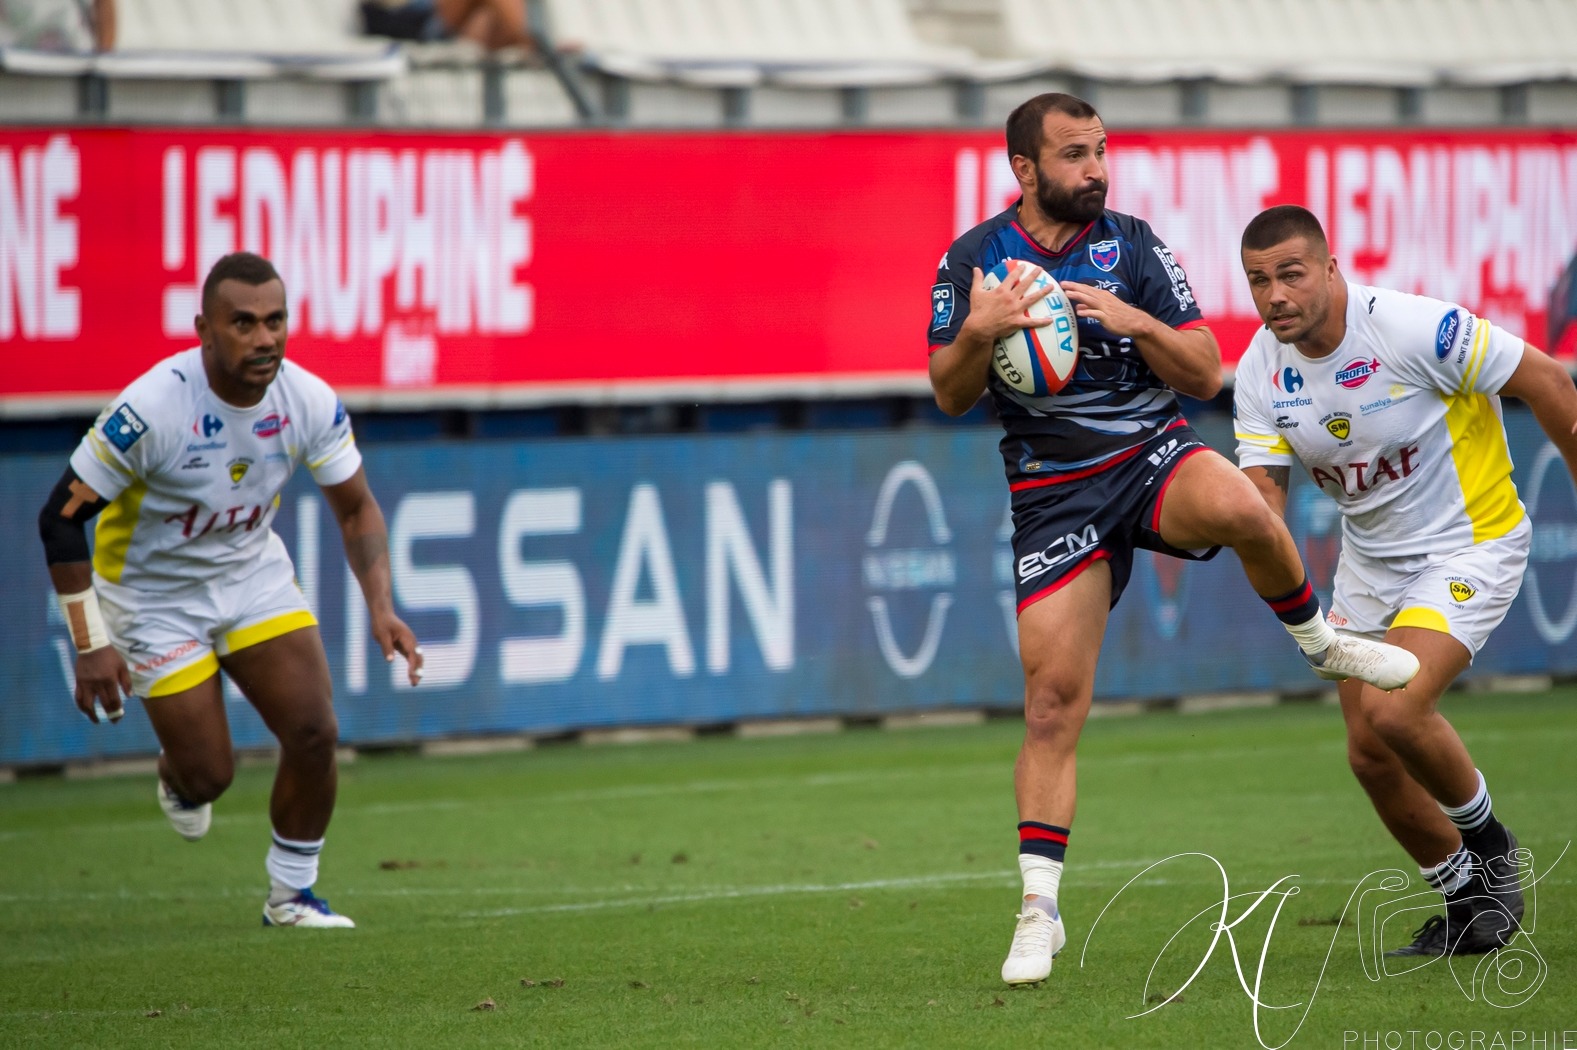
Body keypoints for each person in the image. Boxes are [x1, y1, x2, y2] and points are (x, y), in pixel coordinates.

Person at [926, 93, 1421, 987]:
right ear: (1025, 170)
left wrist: (1136, 322)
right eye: (1073, 155)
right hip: (1052, 496)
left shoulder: (1136, 244)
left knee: (1241, 509)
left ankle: (1321, 643)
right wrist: (978, 332)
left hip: (1150, 452)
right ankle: (1038, 912)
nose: (1094, 168)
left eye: (1099, 150)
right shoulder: (975, 261)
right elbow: (948, 391)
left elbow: (1202, 370)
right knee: (1050, 704)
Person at [37, 252, 424, 929]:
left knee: (314, 729)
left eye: (275, 320)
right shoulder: (153, 407)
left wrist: (381, 606)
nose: (264, 338)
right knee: (209, 775)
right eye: (242, 323)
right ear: (204, 330)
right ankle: (178, 771)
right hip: (152, 598)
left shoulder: (305, 399)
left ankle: (292, 897)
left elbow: (357, 508)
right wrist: (91, 643)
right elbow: (60, 519)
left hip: (250, 576)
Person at [1233, 205, 1577, 955]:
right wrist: (1224, 523)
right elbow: (1261, 502)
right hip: (1371, 562)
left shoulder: (1415, 328)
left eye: (1290, 274)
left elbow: (1548, 381)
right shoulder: (1259, 371)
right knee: (1369, 754)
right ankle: (1469, 907)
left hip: (1469, 543)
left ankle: (1490, 843)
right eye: (1257, 281)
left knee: (1396, 714)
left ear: (1330, 269)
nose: (1274, 296)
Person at [359, 0, 533, 53]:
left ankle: (532, 42)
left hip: (460, 26)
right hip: (421, 25)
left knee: (487, 17)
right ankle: (535, 44)